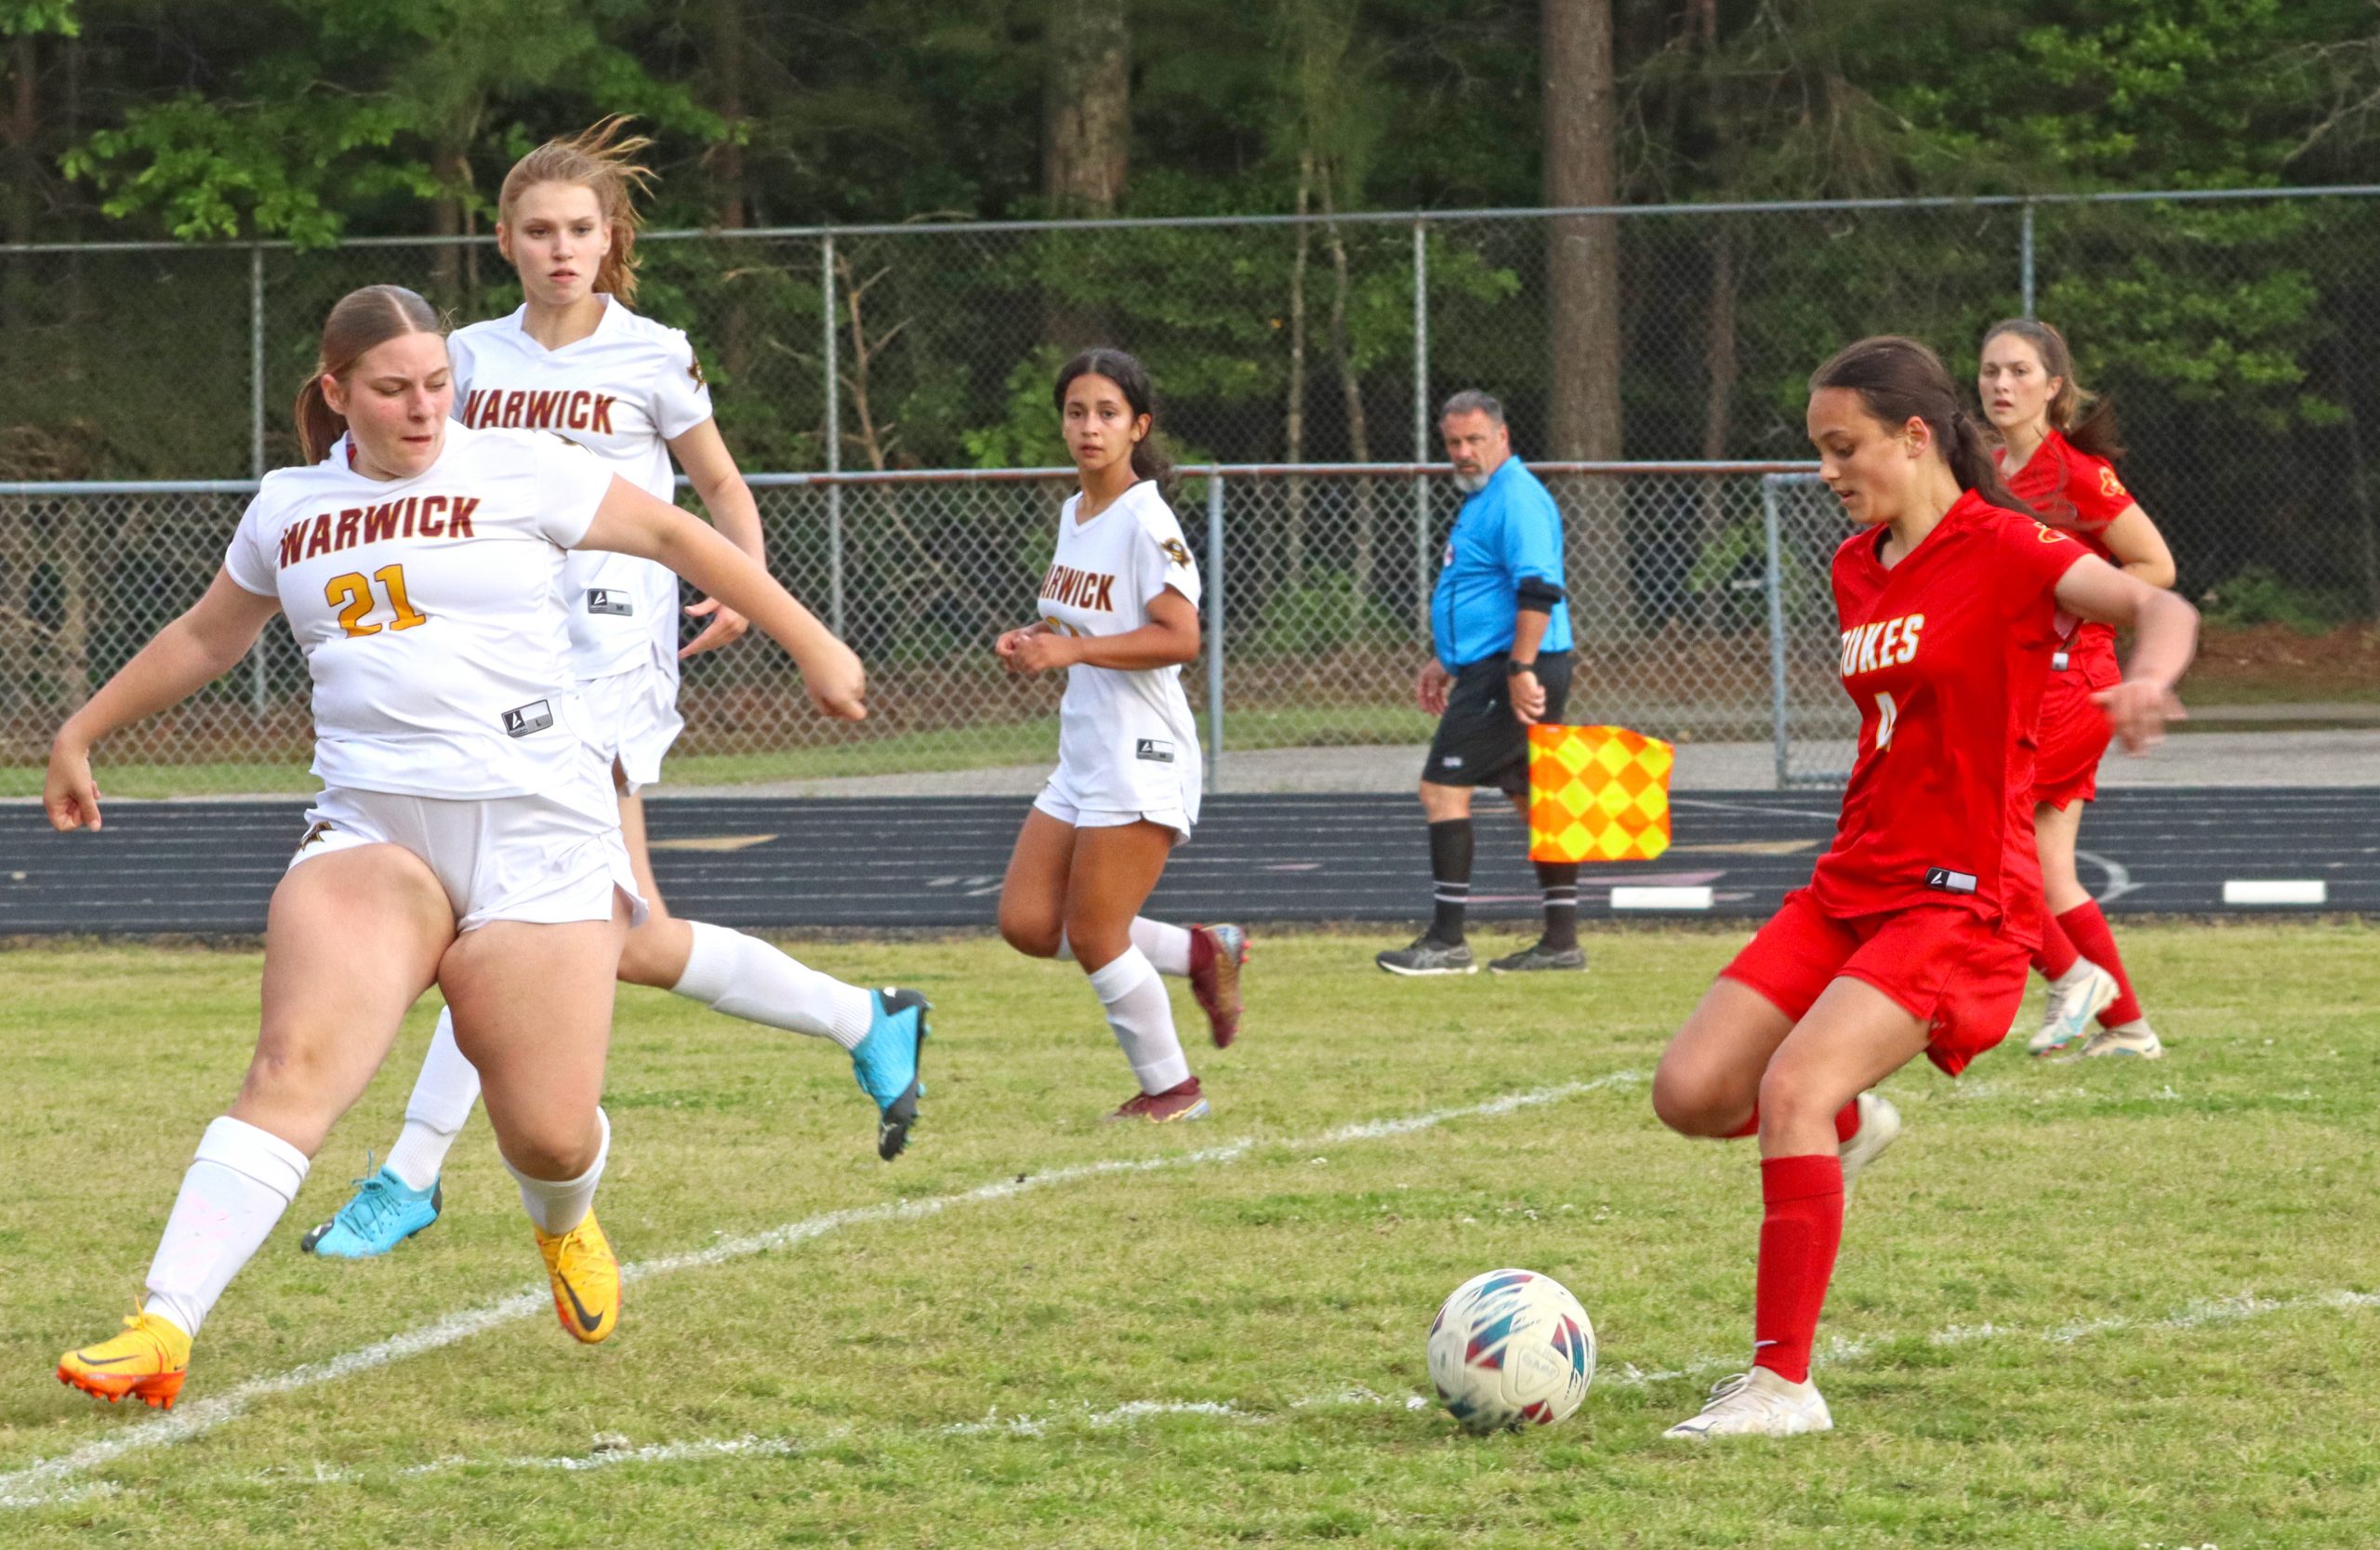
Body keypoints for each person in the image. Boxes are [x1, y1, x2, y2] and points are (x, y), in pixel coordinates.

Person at [47, 285, 868, 1408]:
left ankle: (565, 1219)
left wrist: (814, 644)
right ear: (336, 392)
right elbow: (206, 632)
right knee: (292, 1071)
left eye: (437, 382)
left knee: (547, 1130)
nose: (424, 407)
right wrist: (83, 728)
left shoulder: (518, 467)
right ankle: (162, 1323)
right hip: (374, 834)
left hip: (542, 834)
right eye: (392, 389)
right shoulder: (289, 504)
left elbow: (679, 533)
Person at [301, 122, 929, 1264]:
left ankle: (410, 1169)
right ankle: (864, 1015)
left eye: (580, 230)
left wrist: (748, 588)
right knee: (614, 930)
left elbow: (718, 487)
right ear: (505, 241)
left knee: (517, 914)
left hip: (610, 669)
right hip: (499, 669)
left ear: (610, 239)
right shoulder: (471, 359)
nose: (560, 249)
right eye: (538, 230)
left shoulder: (652, 354)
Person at [1648, 336, 2198, 1440]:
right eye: (1816, 449)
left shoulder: (2008, 548)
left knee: (1793, 1086)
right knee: (1694, 1092)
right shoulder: (1859, 565)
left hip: (1961, 897)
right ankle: (1850, 1123)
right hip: (1854, 877)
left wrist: (2145, 683)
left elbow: (2162, 605)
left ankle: (1781, 1384)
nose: (1824, 471)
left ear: (1914, 434)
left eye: (1840, 446)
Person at [994, 348, 1248, 1123]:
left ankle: (1173, 1090)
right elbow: (1086, 618)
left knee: (1096, 932)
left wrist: (1069, 649)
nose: (1089, 427)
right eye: (1076, 411)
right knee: (1031, 924)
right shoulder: (1077, 512)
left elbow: (1179, 638)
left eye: (1107, 413)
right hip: (1085, 752)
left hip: (1143, 750)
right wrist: (1038, 635)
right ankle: (1201, 953)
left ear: (1139, 426)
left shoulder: (1149, 521)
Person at [1980, 318, 2176, 1060]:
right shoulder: (1989, 468)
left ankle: (2071, 978)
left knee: (1990, 849)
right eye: (1991, 370)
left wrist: (2072, 605)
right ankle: (2128, 1028)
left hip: (2074, 685)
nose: (2002, 384)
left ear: (2054, 387)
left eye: (2020, 372)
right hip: (2024, 684)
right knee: (2049, 869)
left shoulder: (2077, 474)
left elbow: (2156, 567)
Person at [1375, 390, 1580, 976]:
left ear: (1502, 438)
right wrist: (1449, 658)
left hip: (1511, 669)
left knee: (1442, 790)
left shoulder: (1516, 498)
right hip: (1493, 665)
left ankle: (1447, 942)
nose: (1463, 453)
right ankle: (1561, 943)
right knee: (1532, 801)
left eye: (1474, 440)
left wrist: (1517, 669)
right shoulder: (1487, 497)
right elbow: (1484, 589)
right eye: (1453, 444)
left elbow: (1539, 588)